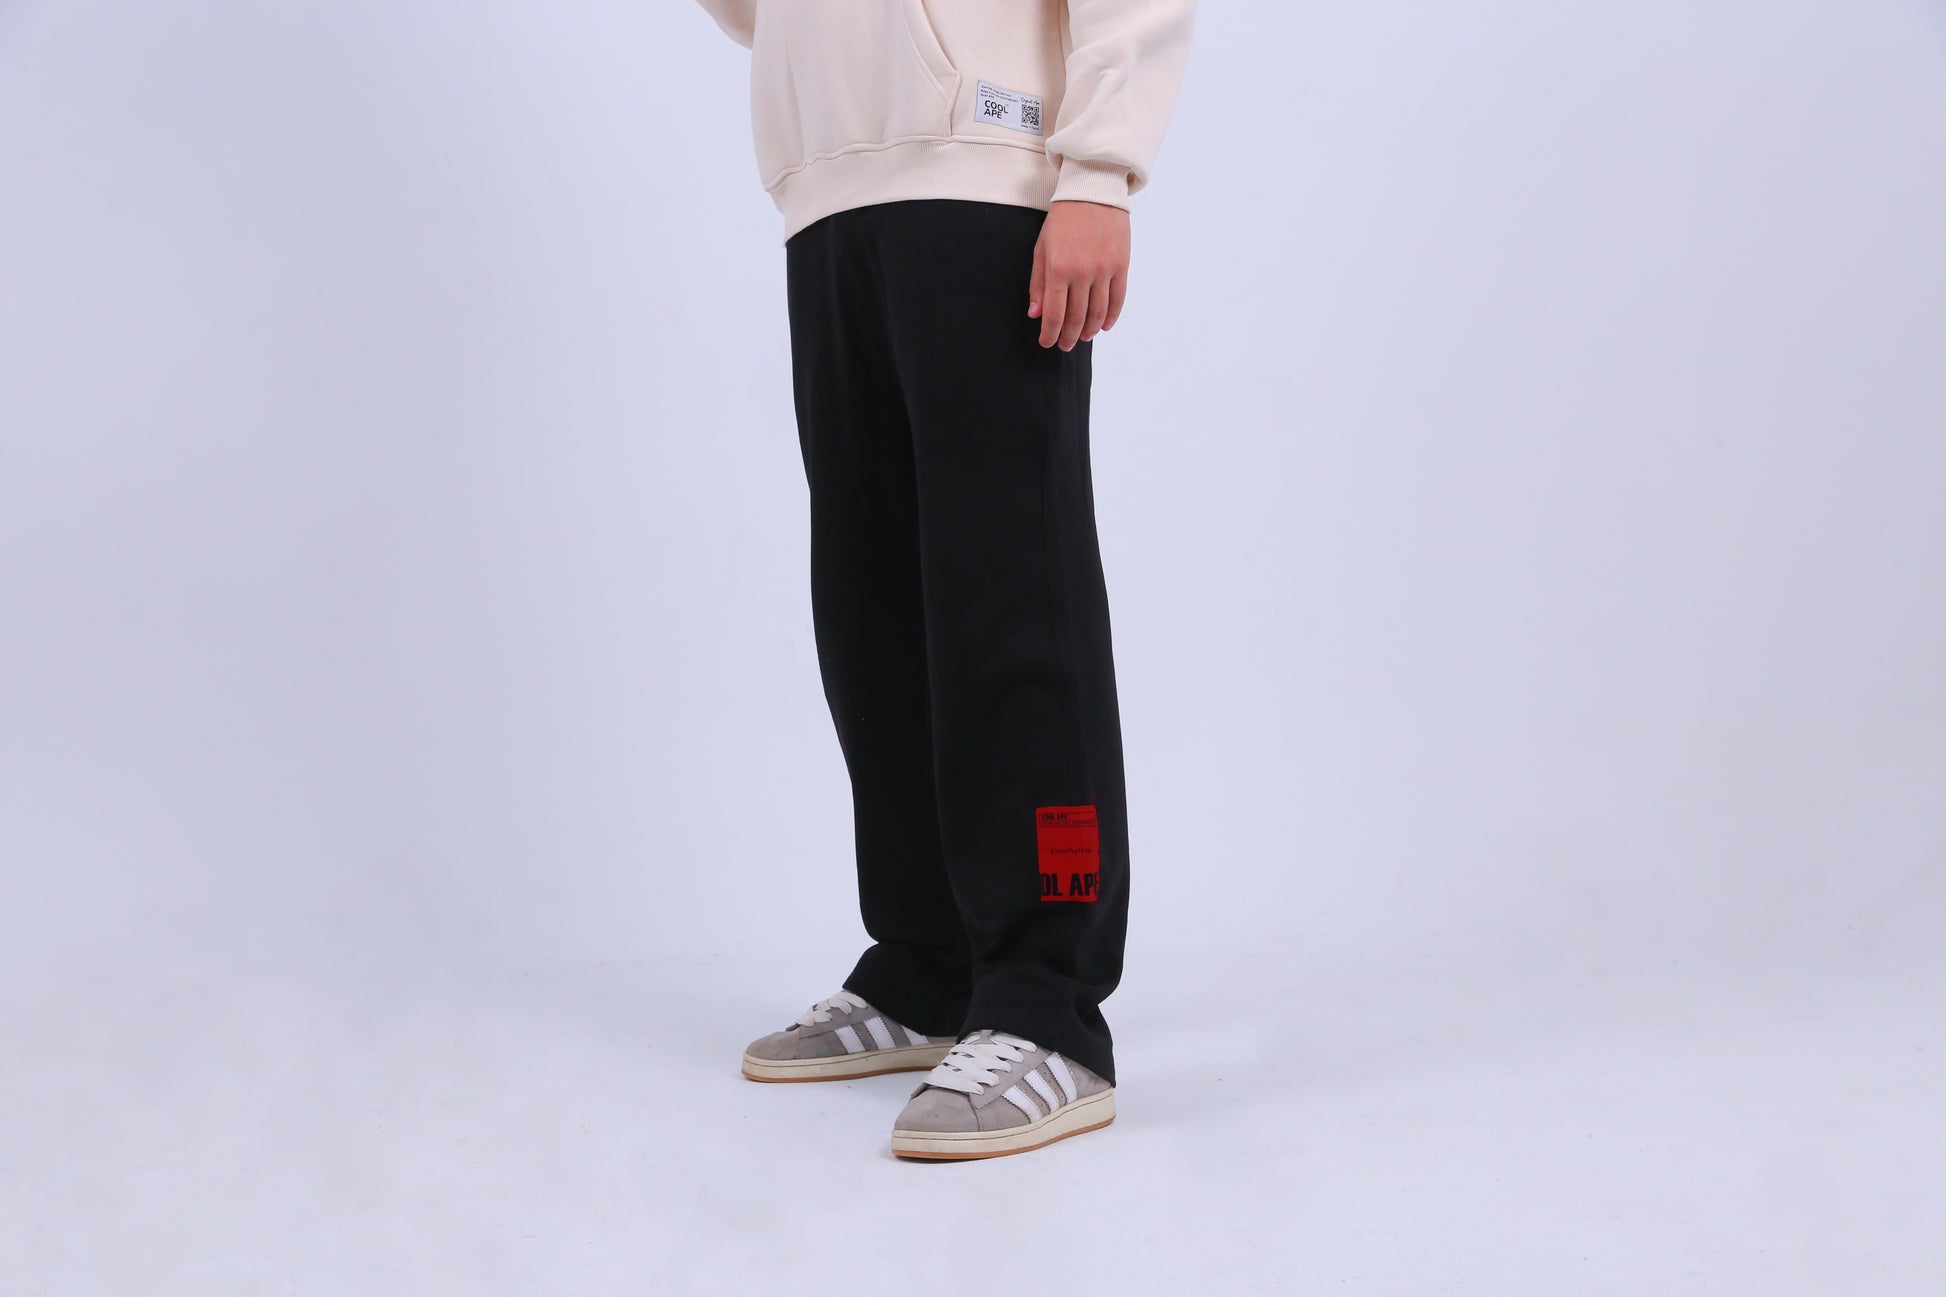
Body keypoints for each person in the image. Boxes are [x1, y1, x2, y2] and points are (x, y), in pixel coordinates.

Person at [693, 0, 1195, 1160]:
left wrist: (1097, 174)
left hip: (988, 170)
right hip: (826, 189)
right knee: (870, 609)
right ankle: (929, 966)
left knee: (1006, 598)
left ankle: (1046, 1004)